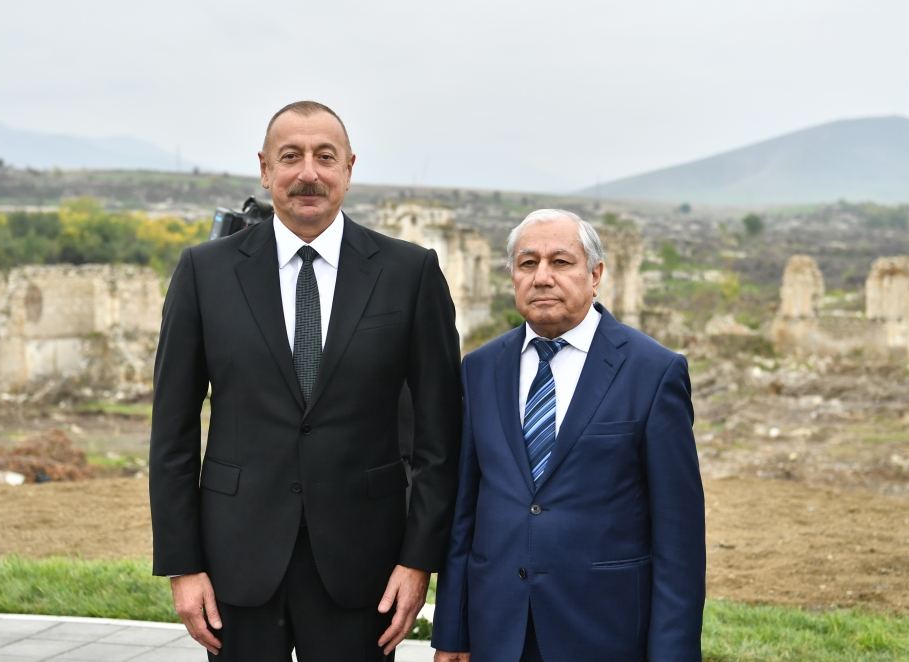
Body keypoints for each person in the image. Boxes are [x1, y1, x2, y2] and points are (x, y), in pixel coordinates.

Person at [149, 100, 462, 661]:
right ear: (266, 169)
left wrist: (418, 562)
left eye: (325, 156)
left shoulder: (410, 273)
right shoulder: (205, 272)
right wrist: (183, 564)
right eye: (290, 156)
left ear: (349, 168)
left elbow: (441, 437)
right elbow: (171, 432)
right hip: (236, 564)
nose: (308, 173)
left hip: (364, 567)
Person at [431, 210, 705, 662]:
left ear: (595, 275)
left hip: (604, 632)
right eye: (527, 264)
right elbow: (465, 513)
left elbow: (679, 541)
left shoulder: (653, 372)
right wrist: (453, 632)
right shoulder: (479, 369)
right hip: (497, 631)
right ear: (512, 276)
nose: (542, 278)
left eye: (560, 262)